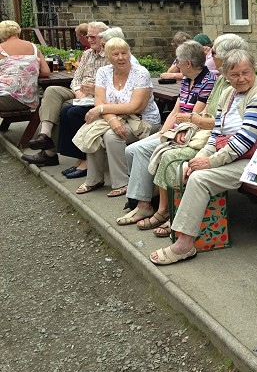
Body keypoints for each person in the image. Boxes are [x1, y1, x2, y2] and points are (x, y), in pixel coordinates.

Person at [149, 48, 257, 265]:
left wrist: (208, 162)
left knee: (199, 178)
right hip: (240, 155)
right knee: (187, 167)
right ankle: (183, 230)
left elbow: (243, 142)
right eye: (235, 74)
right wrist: (200, 158)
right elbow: (217, 135)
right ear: (225, 75)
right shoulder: (227, 94)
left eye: (246, 72)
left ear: (254, 70)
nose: (241, 78)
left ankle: (184, 244)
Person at [151, 33, 248, 238]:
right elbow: (214, 121)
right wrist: (188, 130)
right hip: (209, 136)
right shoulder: (222, 82)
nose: (210, 57)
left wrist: (204, 152)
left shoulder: (240, 86)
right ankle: (166, 212)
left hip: (228, 146)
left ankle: (173, 218)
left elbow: (228, 129)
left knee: (172, 158)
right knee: (168, 152)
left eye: (213, 53)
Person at [118, 40, 215, 228]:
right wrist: (162, 132)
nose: (176, 64)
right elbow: (176, 110)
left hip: (186, 134)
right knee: (131, 150)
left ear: (188, 63)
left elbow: (194, 117)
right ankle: (145, 197)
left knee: (140, 150)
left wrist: (168, 135)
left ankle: (144, 204)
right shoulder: (187, 79)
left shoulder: (208, 81)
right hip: (173, 130)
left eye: (178, 60)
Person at [73, 38, 161, 196]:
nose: (121, 57)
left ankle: (122, 182)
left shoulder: (140, 73)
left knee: (112, 135)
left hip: (142, 120)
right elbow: (99, 100)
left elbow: (135, 106)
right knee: (94, 132)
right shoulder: (104, 72)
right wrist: (112, 119)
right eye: (116, 54)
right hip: (115, 117)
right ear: (108, 57)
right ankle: (94, 179)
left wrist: (101, 109)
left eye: (124, 53)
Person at [22, 21, 110, 167]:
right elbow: (76, 78)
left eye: (93, 37)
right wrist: (77, 91)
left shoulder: (110, 55)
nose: (89, 40)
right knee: (51, 91)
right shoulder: (88, 53)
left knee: (62, 108)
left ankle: (49, 153)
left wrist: (95, 90)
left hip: (97, 95)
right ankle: (44, 135)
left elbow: (115, 83)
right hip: (79, 92)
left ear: (103, 37)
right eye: (88, 37)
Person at [0, 20, 50, 112]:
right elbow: (46, 72)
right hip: (29, 101)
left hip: (6, 97)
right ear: (18, 31)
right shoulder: (34, 47)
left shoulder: (1, 48)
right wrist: (27, 73)